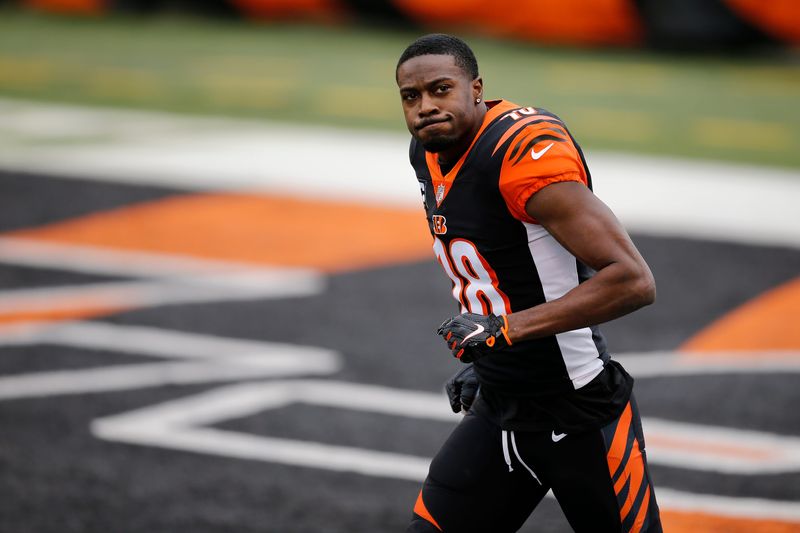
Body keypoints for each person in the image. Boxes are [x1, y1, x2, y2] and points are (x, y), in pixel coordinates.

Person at [396, 34, 662, 532]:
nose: (426, 106)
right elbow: (505, 266)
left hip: (579, 410)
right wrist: (492, 363)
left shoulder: (519, 153)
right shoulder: (428, 151)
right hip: (501, 406)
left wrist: (505, 331)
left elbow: (633, 280)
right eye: (411, 96)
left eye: (440, 89)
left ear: (476, 89)